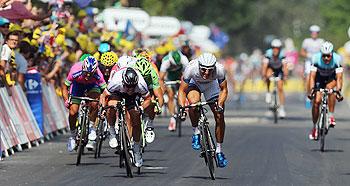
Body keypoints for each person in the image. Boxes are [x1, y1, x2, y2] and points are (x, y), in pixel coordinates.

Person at [178, 53, 228, 168]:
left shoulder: (220, 69)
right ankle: (196, 132)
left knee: (219, 115)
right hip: (194, 84)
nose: (206, 73)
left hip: (211, 85)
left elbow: (224, 90)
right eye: (203, 70)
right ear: (199, 66)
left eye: (210, 70)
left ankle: (219, 150)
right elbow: (182, 91)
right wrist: (181, 106)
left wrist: (219, 104)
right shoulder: (191, 68)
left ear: (214, 68)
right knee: (193, 105)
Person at [99, 67, 152, 168]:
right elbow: (103, 96)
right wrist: (103, 108)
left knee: (136, 118)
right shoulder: (116, 81)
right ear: (123, 82)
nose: (130, 89)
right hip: (117, 93)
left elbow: (148, 99)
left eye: (133, 86)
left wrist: (141, 108)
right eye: (128, 86)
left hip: (132, 98)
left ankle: (136, 150)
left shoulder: (141, 84)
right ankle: (112, 133)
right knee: (111, 106)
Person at [62, 55, 107, 152]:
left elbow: (105, 91)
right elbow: (65, 87)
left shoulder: (98, 74)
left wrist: (103, 105)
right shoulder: (75, 70)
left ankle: (91, 128)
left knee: (94, 103)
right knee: (73, 112)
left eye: (91, 74)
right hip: (77, 86)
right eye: (86, 73)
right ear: (83, 68)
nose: (88, 76)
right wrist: (66, 100)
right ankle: (73, 136)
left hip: (92, 86)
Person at [308, 41, 343, 140]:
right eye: (324, 56)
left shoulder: (337, 59)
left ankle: (331, 116)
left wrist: (339, 91)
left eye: (328, 56)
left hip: (331, 79)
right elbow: (312, 77)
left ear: (332, 54)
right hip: (319, 79)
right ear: (321, 54)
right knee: (317, 102)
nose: (326, 58)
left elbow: (339, 78)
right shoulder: (315, 58)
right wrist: (312, 90)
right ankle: (315, 127)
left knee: (330, 90)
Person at [133, 57, 164, 143]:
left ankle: (150, 124)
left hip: (149, 88)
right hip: (136, 87)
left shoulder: (152, 73)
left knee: (153, 101)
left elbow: (159, 95)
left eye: (145, 76)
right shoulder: (132, 70)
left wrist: (159, 107)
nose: (143, 78)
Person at [159, 50, 189, 131]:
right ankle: (173, 117)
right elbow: (161, 78)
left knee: (183, 90)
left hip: (180, 75)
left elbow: (187, 75)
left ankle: (183, 106)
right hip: (169, 77)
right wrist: (163, 88)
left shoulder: (184, 59)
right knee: (170, 95)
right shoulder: (166, 61)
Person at [262, 39, 288, 118]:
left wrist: (285, 76)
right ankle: (268, 92)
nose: (275, 50)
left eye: (277, 48)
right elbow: (264, 66)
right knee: (268, 74)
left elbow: (285, 67)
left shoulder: (282, 54)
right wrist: (264, 76)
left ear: (280, 49)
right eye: (274, 48)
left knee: (280, 88)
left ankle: (282, 108)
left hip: (279, 70)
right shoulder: (268, 53)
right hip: (271, 68)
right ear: (272, 48)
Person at [301, 25, 324, 108]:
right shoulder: (306, 41)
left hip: (319, 63)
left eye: (316, 33)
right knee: (308, 79)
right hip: (309, 62)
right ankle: (308, 97)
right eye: (312, 32)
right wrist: (309, 55)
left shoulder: (321, 41)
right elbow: (302, 52)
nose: (314, 34)